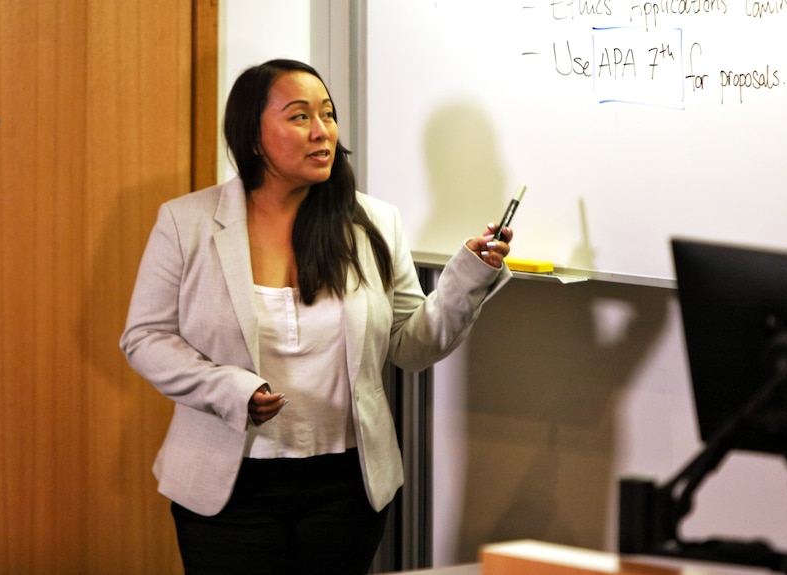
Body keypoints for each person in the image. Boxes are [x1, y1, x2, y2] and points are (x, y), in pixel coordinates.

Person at [119, 58, 514, 575]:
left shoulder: (372, 222)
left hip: (345, 488)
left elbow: (412, 346)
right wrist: (226, 389)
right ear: (253, 136)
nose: (322, 131)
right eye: (300, 116)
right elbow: (145, 337)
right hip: (228, 486)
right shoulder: (186, 222)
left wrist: (468, 277)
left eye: (327, 115)